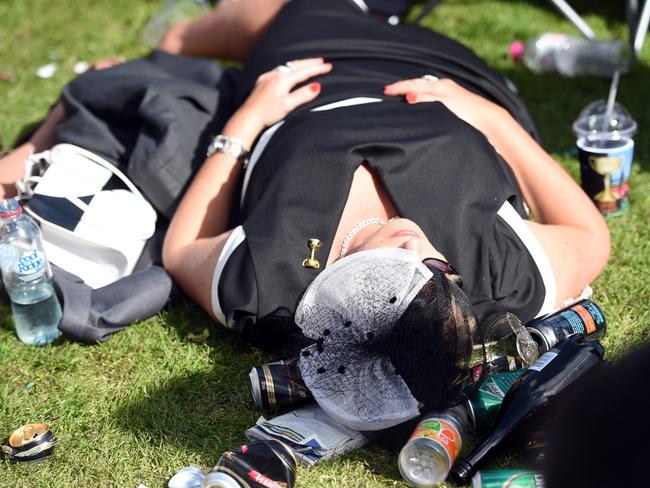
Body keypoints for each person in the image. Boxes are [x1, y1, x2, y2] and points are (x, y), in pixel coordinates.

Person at [0, 0, 609, 419]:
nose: (419, 246)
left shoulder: (272, 282)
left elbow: (184, 251)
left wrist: (243, 124)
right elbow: (591, 234)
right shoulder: (499, 277)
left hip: (310, 59)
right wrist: (488, 116)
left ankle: (181, 35)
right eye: (437, 268)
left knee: (272, 14)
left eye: (399, 269)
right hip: (451, 75)